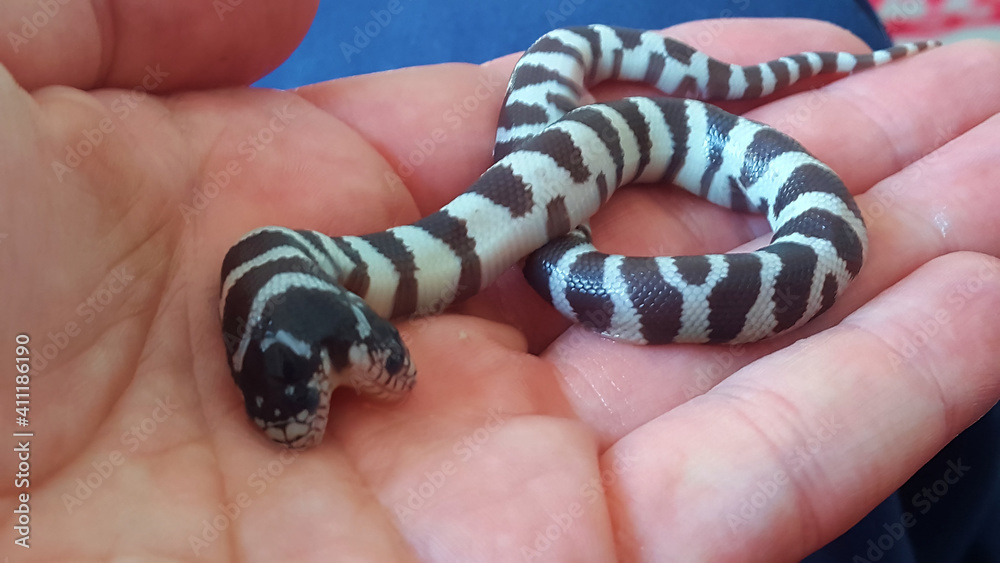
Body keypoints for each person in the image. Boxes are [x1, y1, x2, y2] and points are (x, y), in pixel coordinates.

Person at [4, 2, 998, 560]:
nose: (393, 377)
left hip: (623, 147)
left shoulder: (309, 264)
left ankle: (883, 41)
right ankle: (875, 36)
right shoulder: (289, 276)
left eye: (356, 360)